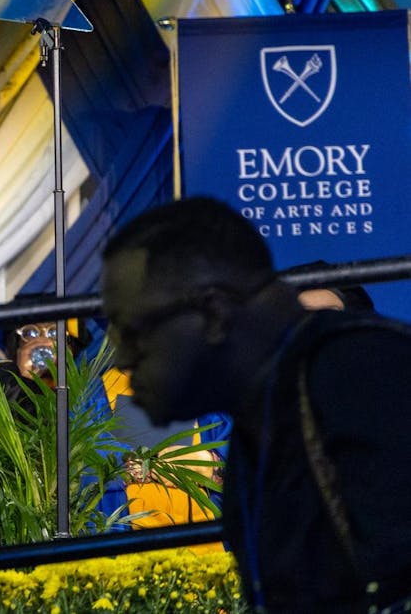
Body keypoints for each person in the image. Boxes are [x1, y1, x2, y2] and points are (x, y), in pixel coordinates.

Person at [101, 197, 411, 611]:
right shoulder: (257, 418)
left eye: (134, 329)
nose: (121, 357)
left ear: (212, 313)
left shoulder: (359, 373)